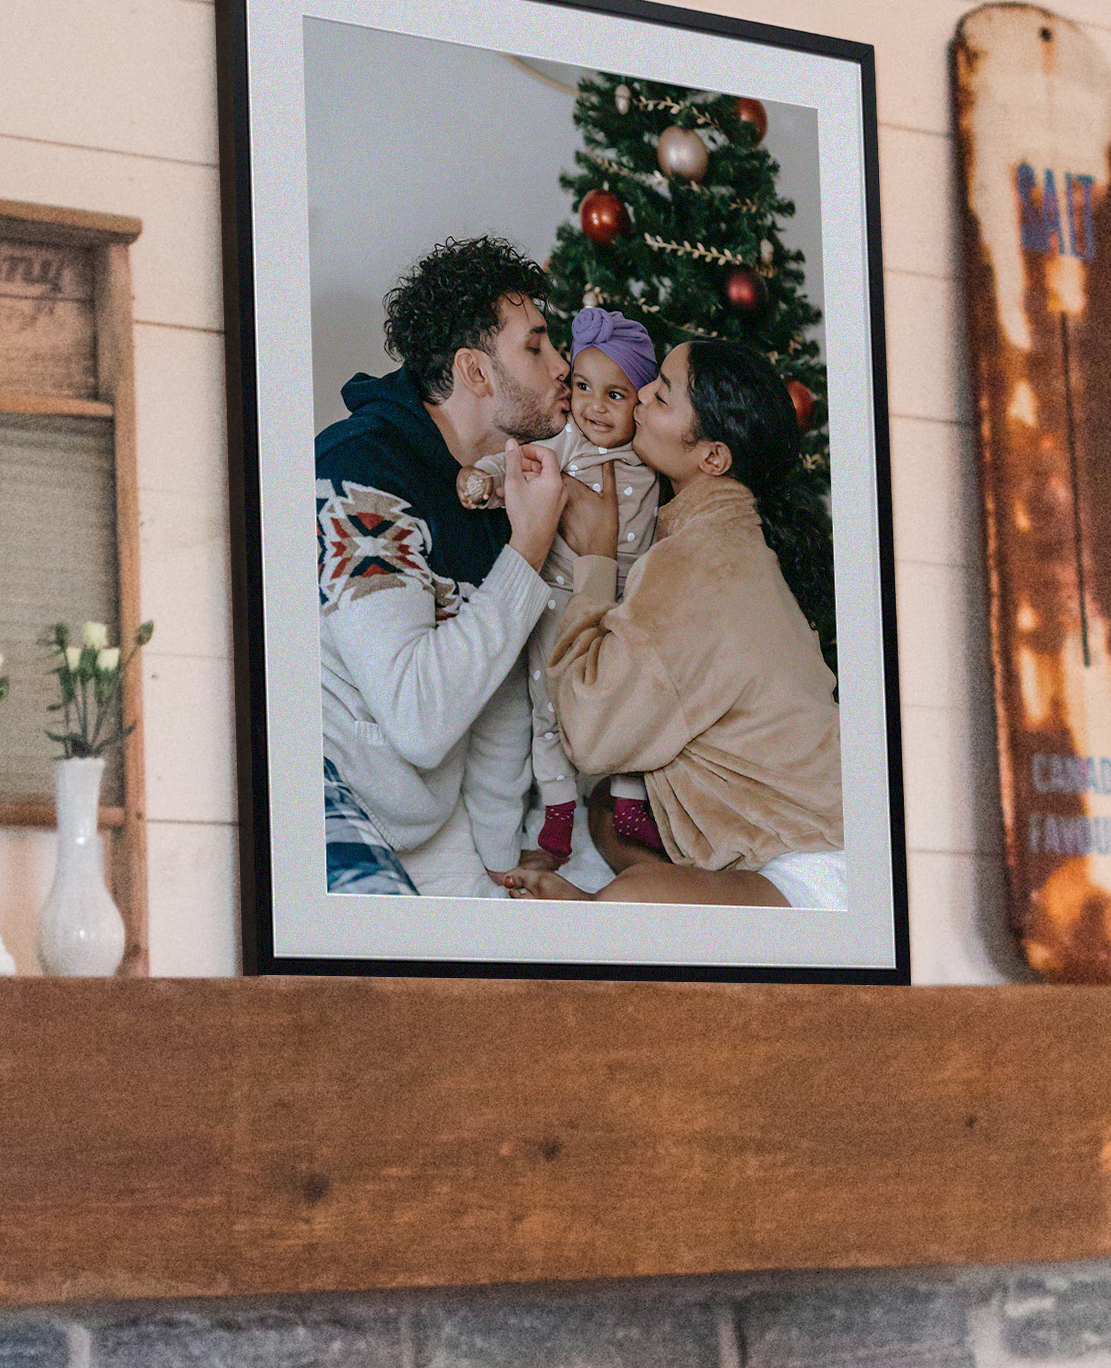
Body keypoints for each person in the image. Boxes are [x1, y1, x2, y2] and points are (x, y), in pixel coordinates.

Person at [536, 330, 849, 911]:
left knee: (629, 901)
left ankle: (586, 909)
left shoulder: (702, 560)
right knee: (607, 814)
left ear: (712, 456)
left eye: (661, 394)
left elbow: (590, 729)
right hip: (804, 832)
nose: (641, 392)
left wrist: (597, 557)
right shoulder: (727, 536)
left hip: (819, 862)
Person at [312, 235, 572, 893]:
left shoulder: (491, 486)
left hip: (424, 824)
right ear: (476, 372)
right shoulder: (360, 474)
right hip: (323, 797)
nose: (562, 366)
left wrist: (499, 866)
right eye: (536, 347)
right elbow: (418, 718)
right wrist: (528, 547)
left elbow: (497, 701)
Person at [460, 304, 662, 877]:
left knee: (626, 698)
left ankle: (627, 798)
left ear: (642, 404)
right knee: (548, 700)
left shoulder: (649, 456)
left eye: (616, 396)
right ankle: (557, 806)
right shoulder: (568, 438)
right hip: (557, 593)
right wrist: (485, 478)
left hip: (624, 600)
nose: (595, 406)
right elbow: (521, 464)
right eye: (582, 388)